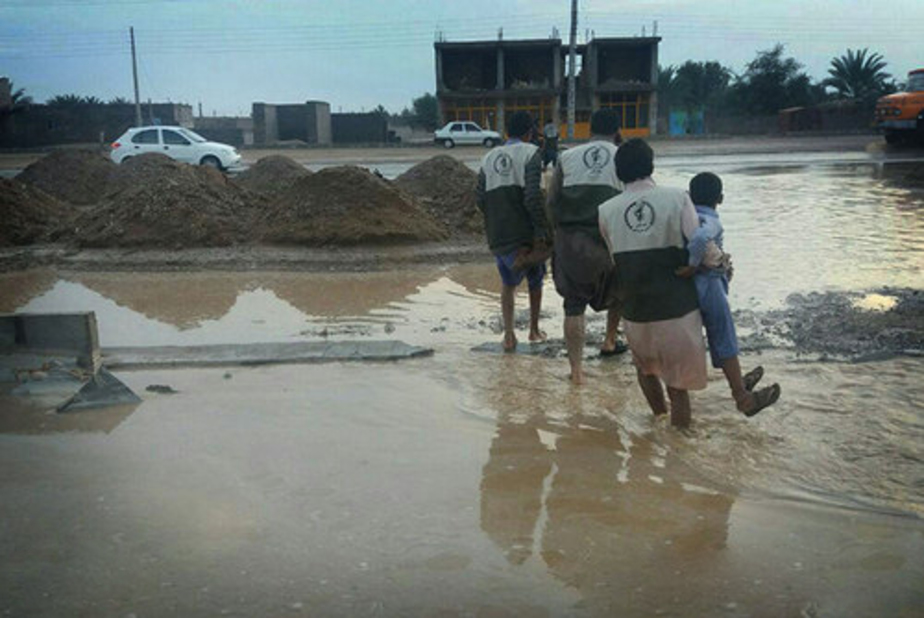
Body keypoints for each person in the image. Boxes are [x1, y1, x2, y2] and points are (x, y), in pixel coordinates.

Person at [598, 138, 707, 428]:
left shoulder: (605, 210)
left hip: (636, 311)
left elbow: (615, 256)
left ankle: (658, 421)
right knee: (678, 384)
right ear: (651, 165)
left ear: (619, 172)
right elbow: (700, 244)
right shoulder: (678, 197)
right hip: (677, 309)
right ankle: (680, 442)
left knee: (645, 369)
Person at [678, 172, 781, 416]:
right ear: (721, 198)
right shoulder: (711, 220)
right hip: (709, 285)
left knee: (717, 335)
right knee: (724, 335)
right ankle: (742, 397)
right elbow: (701, 238)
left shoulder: (687, 216)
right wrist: (694, 264)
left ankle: (738, 382)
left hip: (691, 287)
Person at [546, 108, 627, 385]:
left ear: (589, 130)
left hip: (572, 243)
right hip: (610, 242)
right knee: (619, 294)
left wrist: (555, 235)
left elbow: (552, 201)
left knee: (573, 305)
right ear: (617, 131)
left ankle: (577, 372)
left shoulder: (566, 157)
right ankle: (609, 340)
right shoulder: (624, 157)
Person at [476, 111, 550, 352]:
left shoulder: (488, 158)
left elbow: (479, 198)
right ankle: (534, 329)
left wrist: (496, 220)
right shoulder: (531, 154)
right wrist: (542, 229)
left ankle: (508, 335)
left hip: (499, 233)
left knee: (507, 284)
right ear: (530, 133)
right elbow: (532, 196)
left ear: (506, 132)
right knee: (536, 279)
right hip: (525, 232)